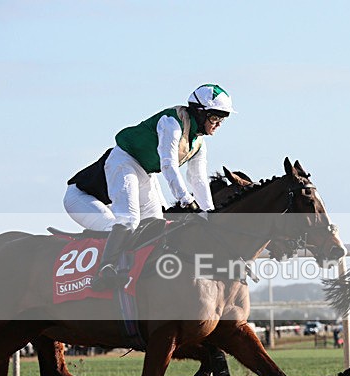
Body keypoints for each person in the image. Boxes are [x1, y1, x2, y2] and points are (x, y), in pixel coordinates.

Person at [63, 84, 236, 290]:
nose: (218, 124)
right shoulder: (171, 123)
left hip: (142, 171)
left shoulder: (198, 144)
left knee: (155, 224)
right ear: (199, 112)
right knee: (128, 220)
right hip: (83, 197)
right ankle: (105, 271)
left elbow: (197, 179)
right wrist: (186, 200)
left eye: (222, 119)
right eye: (215, 117)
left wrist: (209, 214)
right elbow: (168, 164)